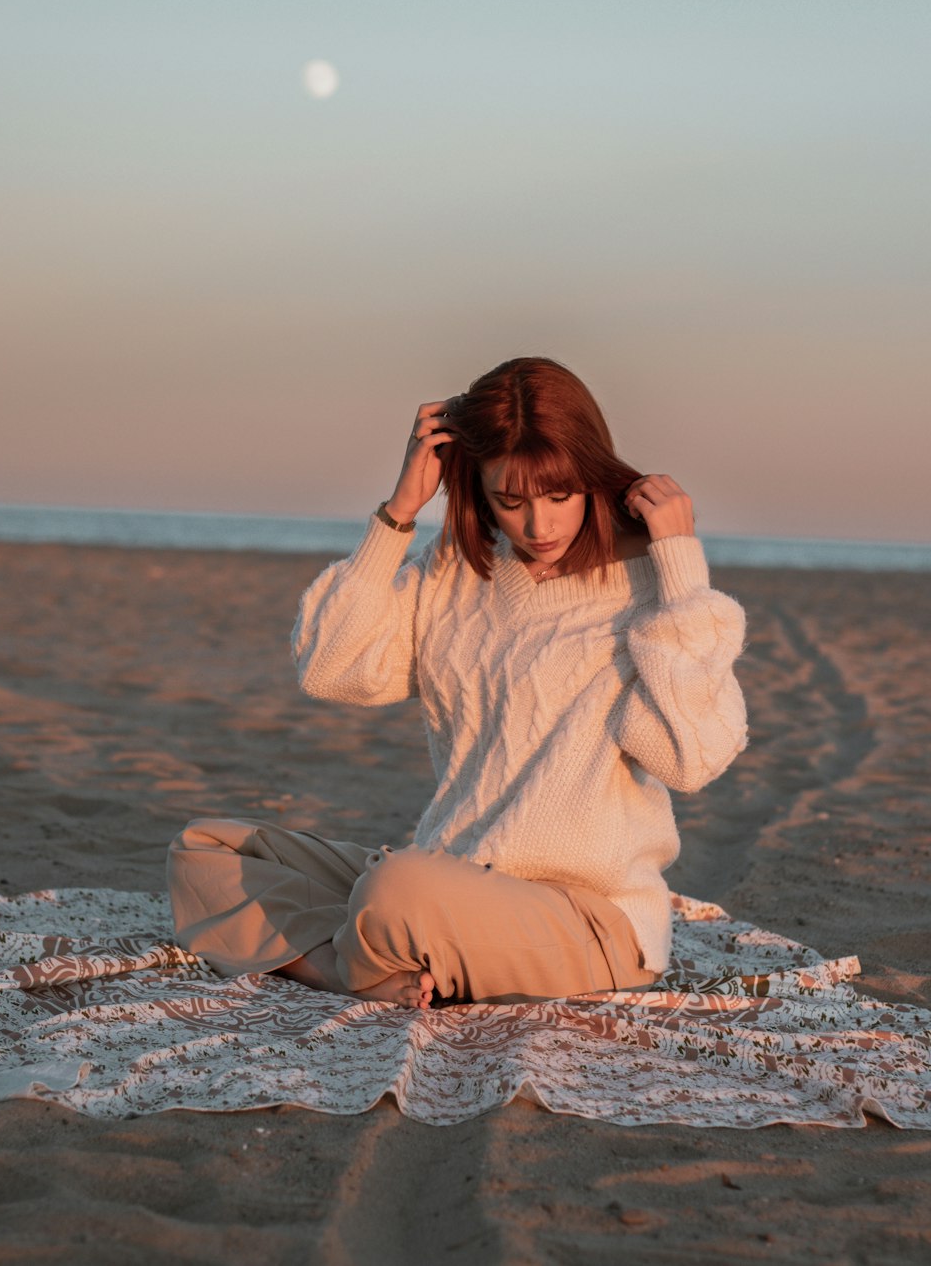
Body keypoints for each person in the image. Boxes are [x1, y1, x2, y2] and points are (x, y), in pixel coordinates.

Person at [168, 357, 748, 1010]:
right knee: (206, 851)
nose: (540, 526)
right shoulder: (454, 570)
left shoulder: (646, 585)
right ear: (478, 489)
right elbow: (330, 667)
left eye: (560, 495)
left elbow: (693, 757)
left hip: (590, 921)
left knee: (394, 892)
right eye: (511, 501)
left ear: (591, 476)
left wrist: (682, 565)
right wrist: (398, 512)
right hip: (455, 876)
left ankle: (354, 954)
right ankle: (344, 966)